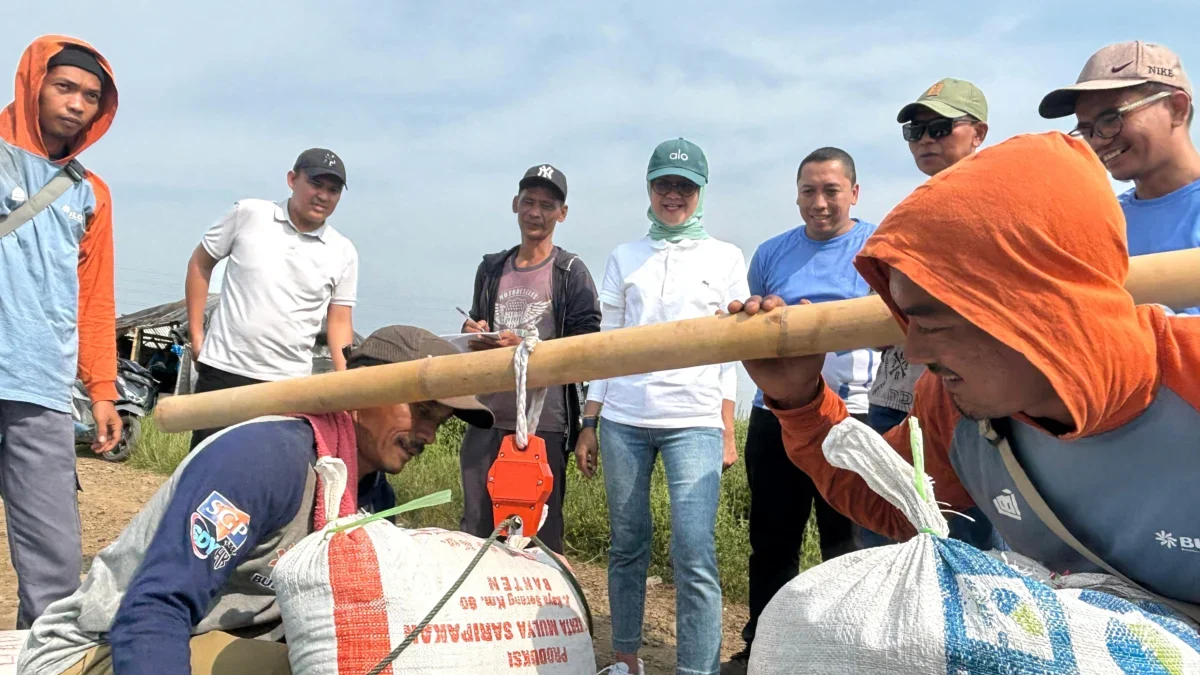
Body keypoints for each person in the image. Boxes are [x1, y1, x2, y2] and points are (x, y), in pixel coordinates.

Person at [732, 132, 1200, 627]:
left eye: (933, 322)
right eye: (907, 322)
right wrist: (800, 401)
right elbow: (894, 499)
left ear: (1037, 304)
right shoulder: (954, 407)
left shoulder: (1187, 375)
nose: (914, 351)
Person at [18, 326, 496, 675]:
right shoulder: (265, 462)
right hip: (103, 651)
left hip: (217, 644)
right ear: (361, 390)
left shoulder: (367, 494)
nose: (429, 435)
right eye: (421, 411)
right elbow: (154, 610)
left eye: (441, 421)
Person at [576, 138, 748, 675]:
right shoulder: (625, 257)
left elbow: (729, 349)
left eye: (684, 186)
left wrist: (726, 425)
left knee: (694, 551)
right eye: (663, 184)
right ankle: (626, 658)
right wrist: (590, 421)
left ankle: (698, 668)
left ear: (700, 192)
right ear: (649, 189)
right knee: (627, 544)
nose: (673, 195)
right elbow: (606, 344)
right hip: (624, 419)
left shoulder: (726, 257)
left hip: (693, 419)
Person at [722, 147, 878, 675]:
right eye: (808, 191)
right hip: (777, 415)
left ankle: (847, 652)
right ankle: (763, 645)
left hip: (851, 417)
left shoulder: (876, 246)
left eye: (831, 190)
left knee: (849, 542)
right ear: (796, 196)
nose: (819, 202)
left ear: (854, 193)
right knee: (771, 538)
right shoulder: (770, 254)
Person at [0, 35, 121, 629]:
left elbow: (95, 300)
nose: (76, 103)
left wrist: (102, 389)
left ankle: (44, 659)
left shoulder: (89, 194)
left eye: (90, 96)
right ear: (34, 84)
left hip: (41, 388)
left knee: (54, 558)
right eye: (65, 86)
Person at [459, 163, 601, 554]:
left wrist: (523, 345)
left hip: (544, 424)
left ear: (562, 213)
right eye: (528, 202)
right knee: (478, 532)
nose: (535, 212)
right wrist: (477, 332)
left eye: (546, 204)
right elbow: (478, 321)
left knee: (536, 534)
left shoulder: (570, 272)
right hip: (486, 417)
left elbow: (585, 347)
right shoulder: (491, 268)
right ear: (514, 205)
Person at [184, 148, 359, 450]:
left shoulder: (343, 252)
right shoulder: (249, 214)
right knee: (207, 471)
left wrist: (347, 387)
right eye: (316, 184)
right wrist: (197, 334)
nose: (323, 196)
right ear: (292, 179)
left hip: (289, 386)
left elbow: (340, 322)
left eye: (333, 190)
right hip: (225, 371)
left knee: (268, 478)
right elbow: (200, 263)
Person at [1040, 40, 1200, 315]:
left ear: (1177, 108)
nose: (1097, 141)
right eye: (1087, 129)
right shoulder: (1102, 225)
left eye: (1111, 119)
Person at [868, 79, 989, 436]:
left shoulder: (998, 209)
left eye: (939, 128)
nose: (925, 139)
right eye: (915, 130)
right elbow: (879, 314)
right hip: (894, 399)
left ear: (978, 133)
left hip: (967, 400)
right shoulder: (904, 215)